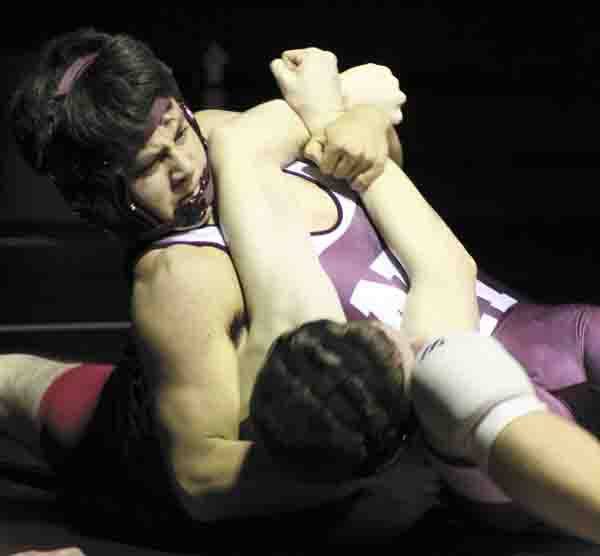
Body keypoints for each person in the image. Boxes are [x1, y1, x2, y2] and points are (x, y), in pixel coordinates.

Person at [7, 29, 443, 549]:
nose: (186, 169)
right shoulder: (174, 281)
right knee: (11, 385)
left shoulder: (220, 136)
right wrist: (376, 466)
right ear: (99, 200)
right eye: (149, 166)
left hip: (184, 379)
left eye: (176, 132)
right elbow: (202, 481)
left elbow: (365, 160)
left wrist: (366, 125)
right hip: (143, 457)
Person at [248, 52, 600, 544]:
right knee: (458, 378)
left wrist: (361, 115)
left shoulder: (277, 178)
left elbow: (380, 95)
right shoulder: (431, 348)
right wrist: (331, 110)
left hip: (495, 403)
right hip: (479, 405)